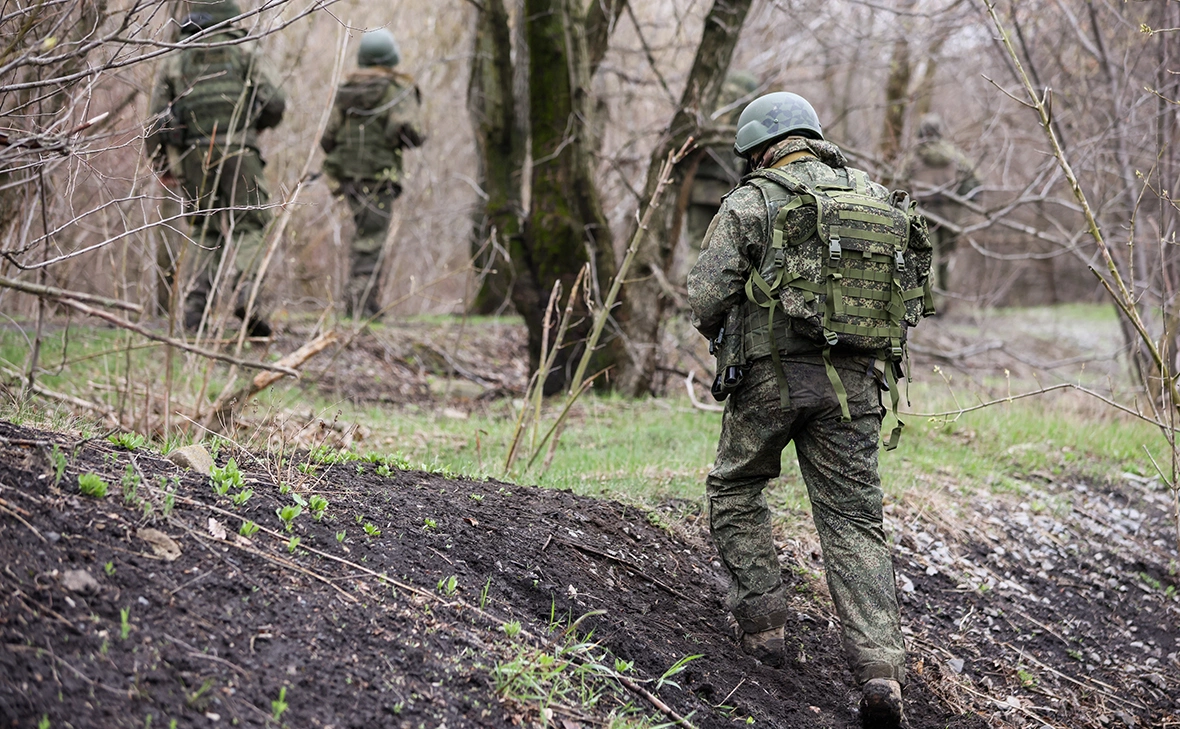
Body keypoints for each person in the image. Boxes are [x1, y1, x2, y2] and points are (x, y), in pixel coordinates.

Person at [688, 91, 933, 729]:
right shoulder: (876, 198)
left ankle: (764, 627)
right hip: (858, 386)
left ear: (757, 147)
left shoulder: (753, 199)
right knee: (855, 521)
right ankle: (880, 670)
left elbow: (704, 295)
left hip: (770, 378)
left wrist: (732, 325)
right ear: (813, 134)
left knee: (737, 485)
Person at [145, 0, 286, 336]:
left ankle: (195, 312)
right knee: (250, 224)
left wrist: (161, 165)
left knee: (203, 229)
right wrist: (255, 124)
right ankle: (246, 296)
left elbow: (153, 122)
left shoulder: (176, 60)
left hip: (193, 155)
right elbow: (276, 101)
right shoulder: (244, 50)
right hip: (240, 149)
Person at [320, 28, 424, 318]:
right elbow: (412, 133)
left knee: (366, 233)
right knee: (372, 238)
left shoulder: (346, 90)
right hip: (379, 174)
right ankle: (358, 305)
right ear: (391, 57)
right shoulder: (397, 90)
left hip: (347, 176)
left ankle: (365, 303)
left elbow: (327, 138)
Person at [675, 71, 760, 286]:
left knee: (697, 246)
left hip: (701, 187)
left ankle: (686, 297)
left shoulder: (709, 102)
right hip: (733, 189)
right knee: (728, 250)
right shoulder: (751, 105)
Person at [904, 113, 979, 302]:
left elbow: (901, 185)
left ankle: (925, 300)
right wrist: (962, 199)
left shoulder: (914, 157)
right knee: (945, 259)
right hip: (950, 214)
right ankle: (943, 301)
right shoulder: (954, 155)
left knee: (924, 257)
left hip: (921, 212)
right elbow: (975, 181)